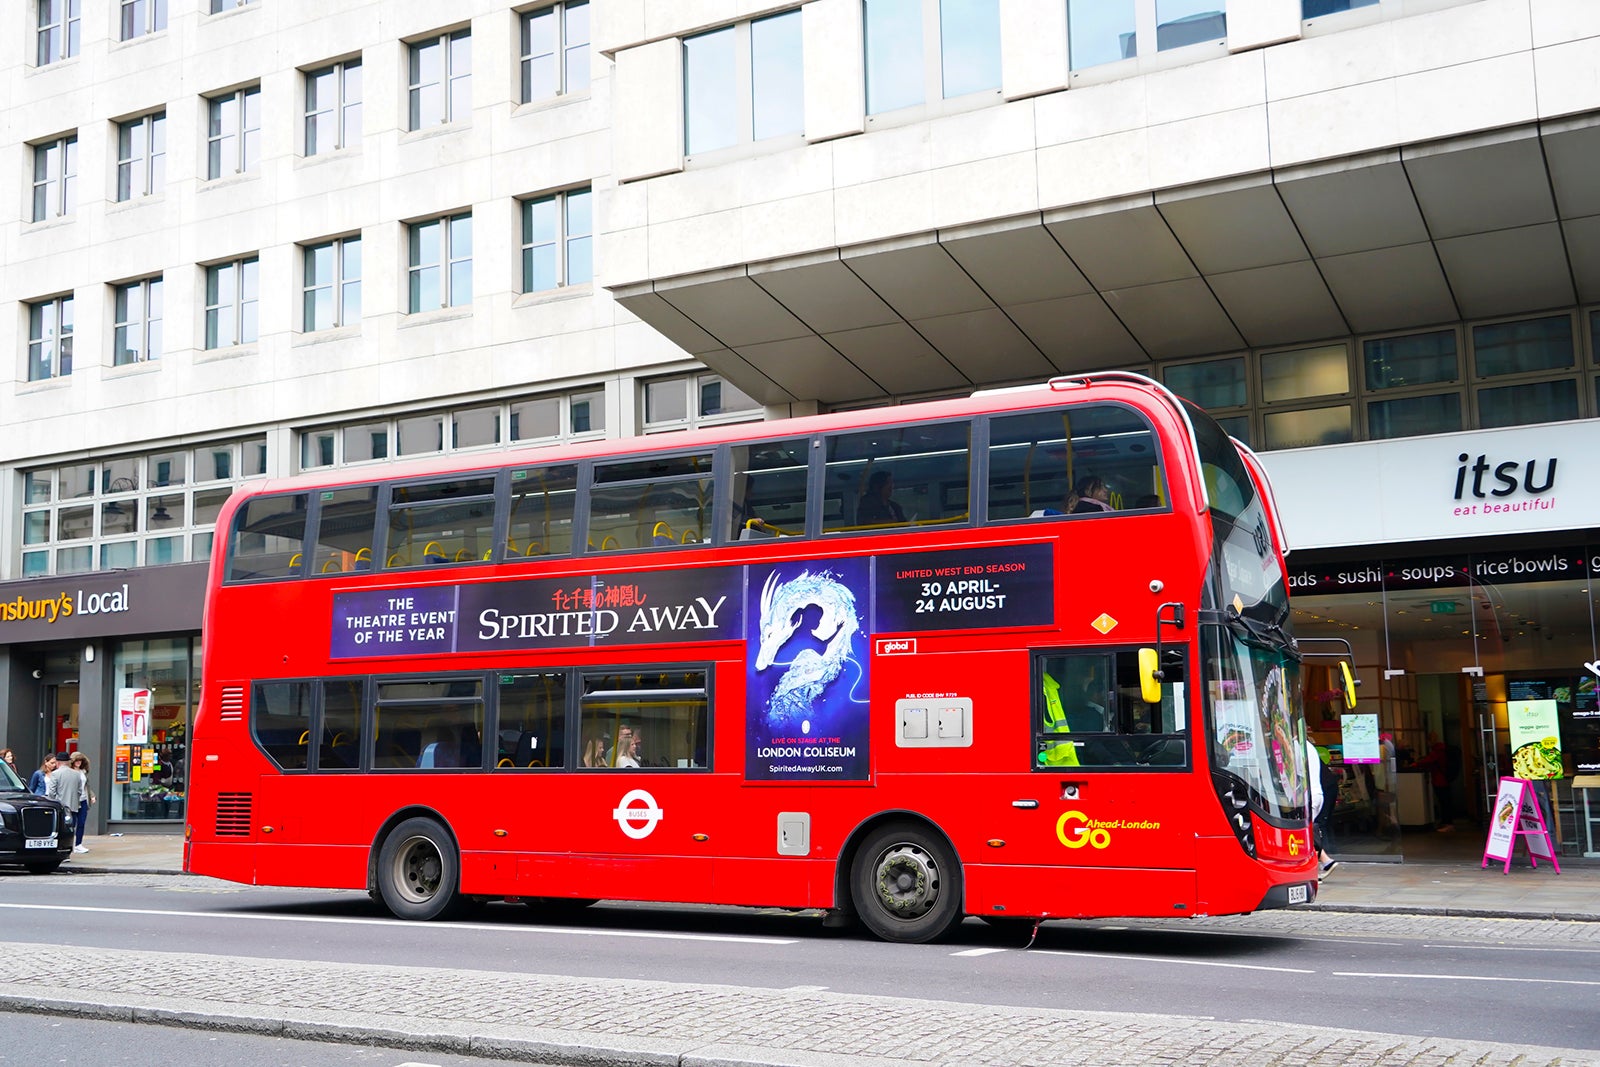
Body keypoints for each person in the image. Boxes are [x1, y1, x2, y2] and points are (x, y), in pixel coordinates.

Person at [1412, 735, 1454, 832]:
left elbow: (1429, 760)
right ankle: (1446, 822)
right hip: (1444, 779)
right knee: (1445, 801)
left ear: (1430, 741)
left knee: (1444, 802)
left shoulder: (1437, 751)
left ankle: (1448, 824)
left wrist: (1416, 764)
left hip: (1440, 780)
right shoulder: (1442, 749)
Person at [1306, 737, 1335, 874]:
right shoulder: (1309, 747)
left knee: (1306, 832)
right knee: (1309, 829)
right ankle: (1325, 861)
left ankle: (1322, 863)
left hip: (1309, 796)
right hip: (1318, 793)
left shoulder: (1298, 747)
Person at [46, 752, 85, 852]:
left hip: (61, 807)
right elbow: (80, 791)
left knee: (60, 830)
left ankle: (61, 850)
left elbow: (52, 792)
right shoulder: (76, 774)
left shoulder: (55, 774)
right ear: (68, 762)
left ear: (58, 763)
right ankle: (69, 849)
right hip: (73, 806)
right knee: (71, 828)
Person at [67, 752, 93, 853]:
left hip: (83, 800)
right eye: (77, 760)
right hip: (73, 800)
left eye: (80, 760)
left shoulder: (83, 771)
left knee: (81, 822)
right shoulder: (70, 772)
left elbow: (86, 786)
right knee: (72, 823)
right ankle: (70, 844)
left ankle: (78, 844)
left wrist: (91, 796)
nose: (78, 762)